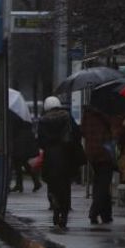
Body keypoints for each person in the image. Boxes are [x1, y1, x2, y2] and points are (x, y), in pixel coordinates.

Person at [38, 96, 80, 230]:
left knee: (52, 183)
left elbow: (40, 140)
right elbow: (76, 134)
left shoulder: (43, 121)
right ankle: (64, 215)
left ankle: (55, 205)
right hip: (66, 155)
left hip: (50, 156)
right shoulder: (67, 117)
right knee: (65, 186)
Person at [81, 105, 116, 224]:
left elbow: (83, 131)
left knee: (100, 182)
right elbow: (114, 129)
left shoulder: (87, 113)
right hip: (105, 152)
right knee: (103, 184)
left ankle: (106, 215)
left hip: (91, 152)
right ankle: (94, 212)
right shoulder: (107, 113)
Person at [9, 109, 41, 192]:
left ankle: (22, 184)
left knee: (19, 162)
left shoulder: (10, 115)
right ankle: (31, 182)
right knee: (21, 162)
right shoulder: (17, 115)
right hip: (23, 142)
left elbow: (12, 130)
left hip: (20, 142)